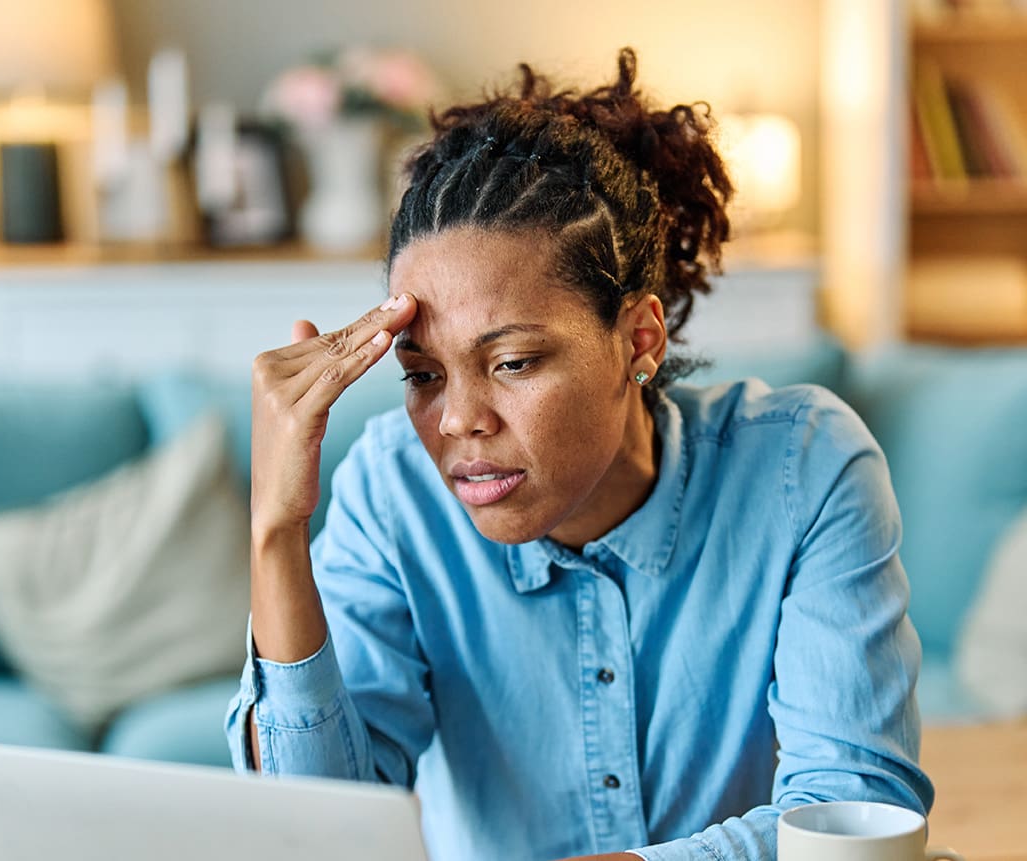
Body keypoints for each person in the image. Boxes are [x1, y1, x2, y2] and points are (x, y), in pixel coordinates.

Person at [226, 47, 932, 861]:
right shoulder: (390, 491)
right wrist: (276, 531)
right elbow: (313, 831)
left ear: (640, 337)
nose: (458, 420)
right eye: (421, 373)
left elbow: (854, 815)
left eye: (513, 362)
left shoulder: (802, 469)